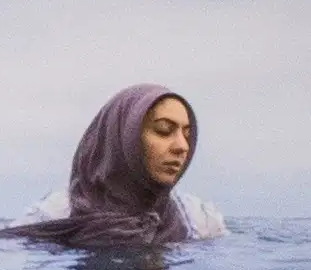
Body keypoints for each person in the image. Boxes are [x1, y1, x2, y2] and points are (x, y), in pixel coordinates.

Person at [16, 84, 223, 254]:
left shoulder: (198, 221)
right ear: (124, 138)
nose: (182, 147)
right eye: (164, 130)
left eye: (187, 135)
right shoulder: (56, 215)